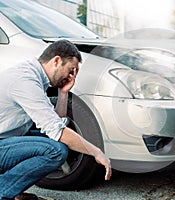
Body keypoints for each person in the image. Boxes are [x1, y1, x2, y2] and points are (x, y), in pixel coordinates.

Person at [0, 40, 112, 200]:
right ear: (57, 61)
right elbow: (57, 131)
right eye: (71, 70)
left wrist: (63, 93)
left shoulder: (33, 76)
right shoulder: (25, 80)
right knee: (55, 151)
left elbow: (55, 122)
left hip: (5, 139)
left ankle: (13, 191)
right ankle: (3, 190)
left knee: (55, 141)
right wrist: (97, 152)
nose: (71, 76)